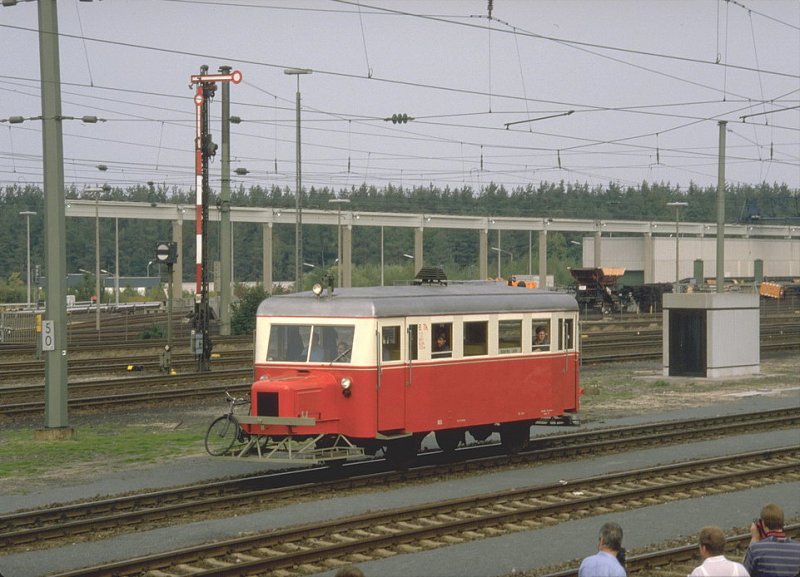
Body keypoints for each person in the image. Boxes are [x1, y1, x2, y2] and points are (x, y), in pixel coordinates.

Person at [744, 503, 800, 577]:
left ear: (763, 524)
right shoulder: (797, 548)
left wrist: (755, 538)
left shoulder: (755, 549)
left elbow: (743, 573)